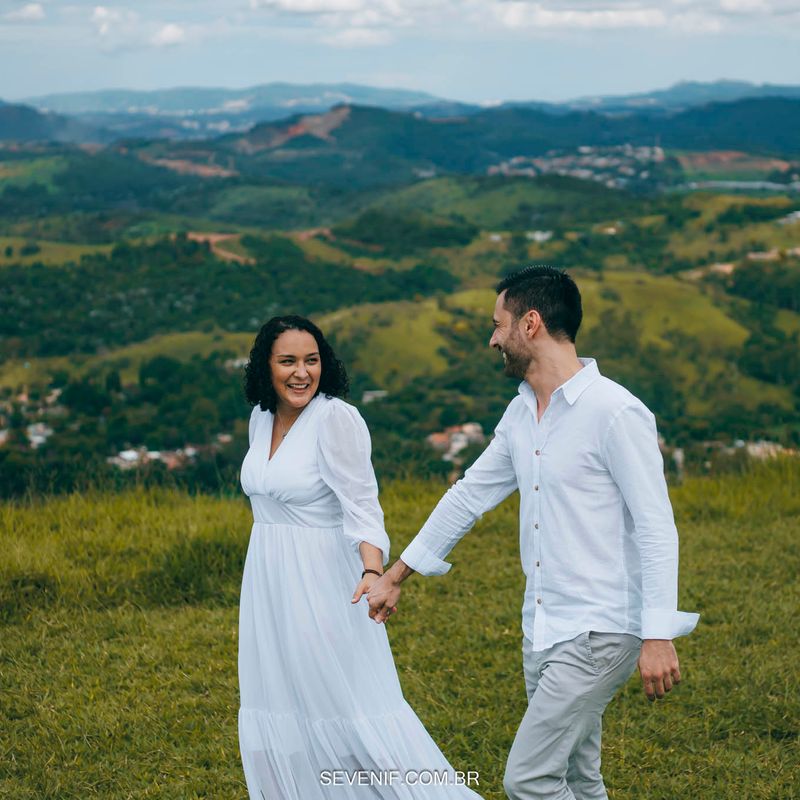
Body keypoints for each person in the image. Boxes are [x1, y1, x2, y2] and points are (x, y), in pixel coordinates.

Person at [366, 266, 700, 800]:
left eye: (498, 324)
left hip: (601, 629)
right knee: (575, 776)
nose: (491, 337)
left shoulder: (615, 412)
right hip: (542, 628)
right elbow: (469, 494)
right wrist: (396, 574)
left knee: (529, 780)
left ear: (531, 324)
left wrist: (658, 633)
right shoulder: (523, 413)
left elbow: (657, 527)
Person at [238, 314, 483, 800]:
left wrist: (373, 570)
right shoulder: (261, 418)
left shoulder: (335, 418)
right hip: (267, 581)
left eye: (311, 361)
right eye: (287, 361)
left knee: (345, 704)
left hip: (323, 581)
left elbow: (363, 506)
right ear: (266, 367)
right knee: (282, 699)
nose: (301, 372)